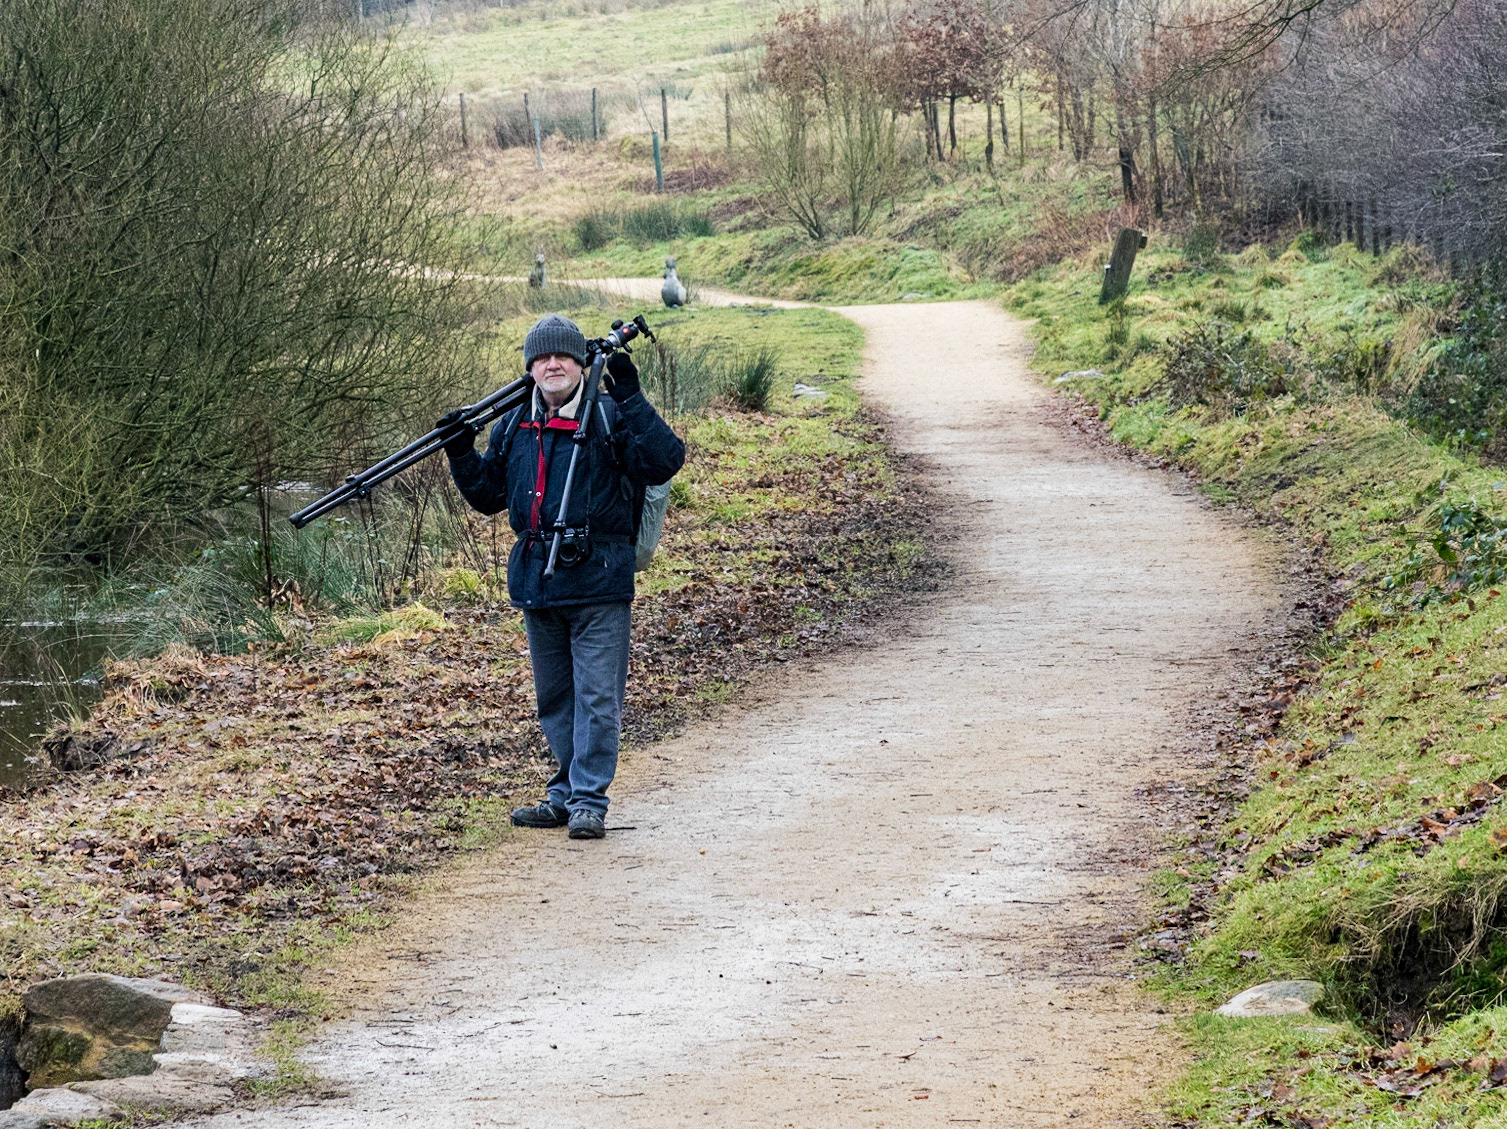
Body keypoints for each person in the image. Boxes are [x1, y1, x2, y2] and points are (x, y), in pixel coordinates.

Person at [437, 314, 684, 840]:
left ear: (579, 363)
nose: (553, 364)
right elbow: (487, 495)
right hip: (538, 580)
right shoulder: (513, 424)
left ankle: (589, 801)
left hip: (598, 579)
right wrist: (460, 450)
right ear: (531, 366)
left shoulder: (611, 414)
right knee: (555, 697)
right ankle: (565, 794)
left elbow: (664, 462)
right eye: (542, 357)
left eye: (564, 357)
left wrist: (635, 399)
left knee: (598, 697)